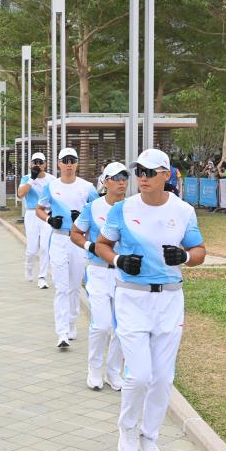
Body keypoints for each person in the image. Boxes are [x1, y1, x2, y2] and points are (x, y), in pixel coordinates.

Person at [95, 148, 206, 451]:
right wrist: (118, 260)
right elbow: (102, 244)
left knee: (162, 378)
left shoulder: (183, 211)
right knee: (140, 375)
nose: (141, 177)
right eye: (138, 171)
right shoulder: (122, 210)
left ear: (165, 175)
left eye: (149, 172)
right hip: (132, 297)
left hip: (170, 299)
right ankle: (127, 429)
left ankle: (150, 436)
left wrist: (184, 257)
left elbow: (199, 250)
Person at [70, 163, 128, 392]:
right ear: (105, 181)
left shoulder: (131, 207)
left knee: (122, 327)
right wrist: (89, 245)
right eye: (116, 178)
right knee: (102, 324)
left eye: (125, 177)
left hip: (124, 273)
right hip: (98, 271)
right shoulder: (93, 207)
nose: (122, 182)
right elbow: (75, 232)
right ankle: (94, 369)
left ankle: (114, 372)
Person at [36, 148, 99, 348]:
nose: (69, 164)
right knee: (61, 287)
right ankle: (61, 332)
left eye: (73, 160)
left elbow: (98, 211)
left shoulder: (87, 187)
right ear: (59, 163)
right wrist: (49, 219)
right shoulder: (51, 186)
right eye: (65, 160)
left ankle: (72, 323)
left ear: (77, 163)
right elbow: (39, 209)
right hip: (59, 239)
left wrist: (82, 221)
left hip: (78, 241)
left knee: (73, 287)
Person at [17, 152, 55, 289]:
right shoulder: (26, 178)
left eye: (40, 162)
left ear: (45, 164)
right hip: (32, 214)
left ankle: (42, 277)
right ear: (30, 164)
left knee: (45, 247)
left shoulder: (52, 179)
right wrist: (32, 179)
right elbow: (20, 194)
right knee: (32, 249)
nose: (38, 165)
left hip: (46, 214)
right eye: (35, 162)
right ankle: (28, 266)